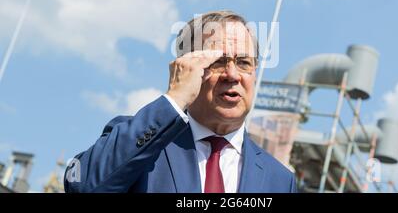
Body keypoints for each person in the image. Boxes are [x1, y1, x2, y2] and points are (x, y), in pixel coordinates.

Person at [64, 10, 298, 193]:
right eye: (218, 61)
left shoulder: (279, 180)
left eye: (244, 63)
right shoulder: (140, 142)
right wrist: (175, 97)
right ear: (187, 68)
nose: (233, 75)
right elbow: (85, 186)